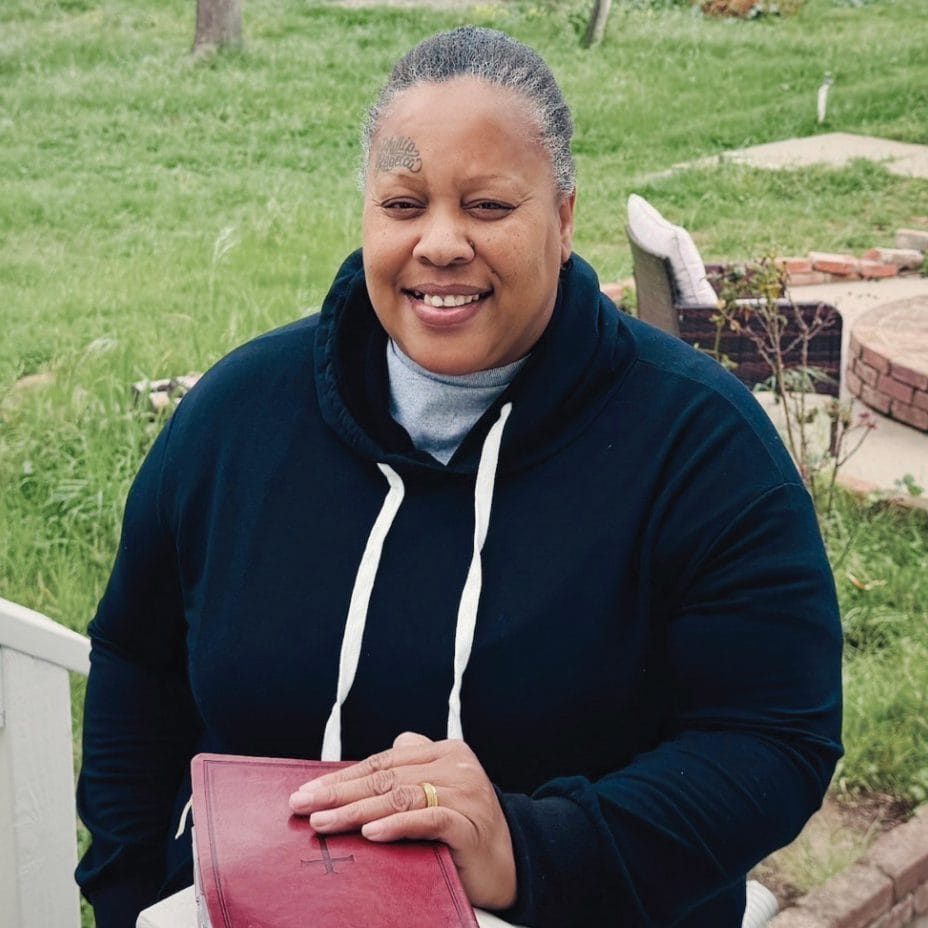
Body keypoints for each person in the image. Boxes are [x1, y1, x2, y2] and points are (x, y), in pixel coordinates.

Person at [76, 26, 843, 928]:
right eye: (403, 205)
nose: (440, 244)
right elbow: (137, 659)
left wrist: (523, 848)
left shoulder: (698, 446)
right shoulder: (239, 418)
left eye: (486, 206)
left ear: (561, 219)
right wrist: (131, 892)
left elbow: (770, 738)